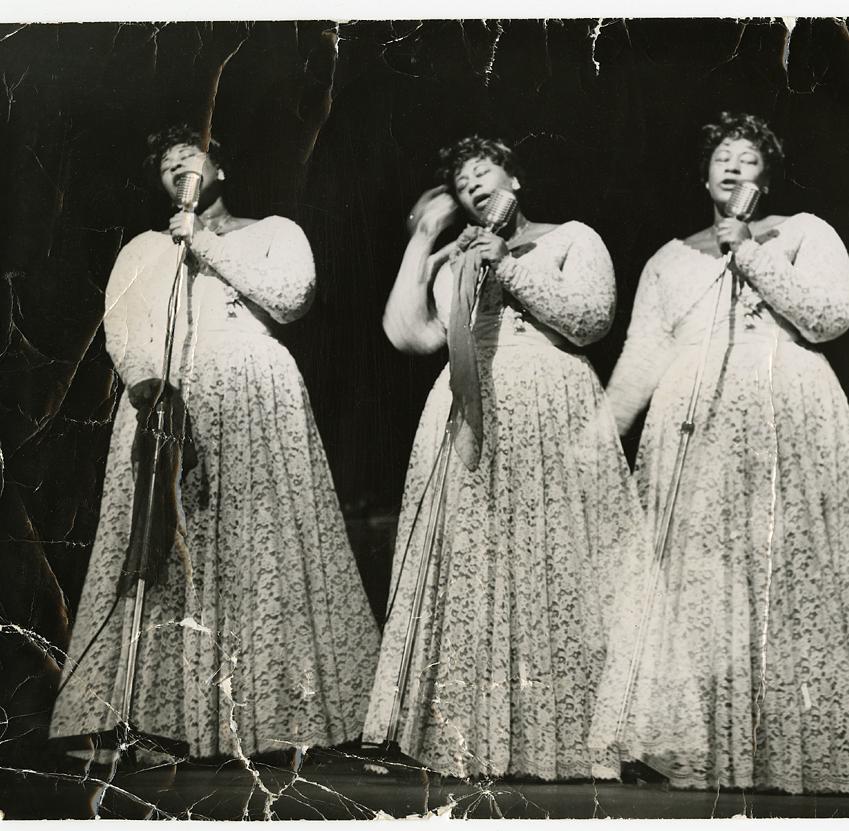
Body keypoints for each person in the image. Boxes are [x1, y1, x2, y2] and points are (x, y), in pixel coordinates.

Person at [593, 113, 849, 794]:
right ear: (703, 176)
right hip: (692, 431)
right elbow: (643, 355)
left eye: (749, 159)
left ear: (767, 175)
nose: (734, 167)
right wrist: (597, 435)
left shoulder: (804, 231)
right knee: (701, 589)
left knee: (786, 577)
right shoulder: (668, 260)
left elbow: (829, 316)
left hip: (781, 413)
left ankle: (796, 741)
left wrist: (750, 251)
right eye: (722, 158)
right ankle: (697, 742)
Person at [49, 125, 380, 762]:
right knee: (169, 555)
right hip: (169, 399)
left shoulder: (275, 231)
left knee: (259, 549)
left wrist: (202, 243)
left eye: (189, 156)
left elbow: (290, 298)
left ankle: (266, 723)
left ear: (219, 169)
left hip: (255, 396)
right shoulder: (144, 248)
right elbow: (124, 326)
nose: (179, 168)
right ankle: (154, 724)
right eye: (166, 166)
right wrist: (148, 387)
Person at [362, 137, 650, 781]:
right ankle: (473, 734)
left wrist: (509, 266)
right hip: (471, 412)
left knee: (560, 563)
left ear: (513, 177)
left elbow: (591, 318)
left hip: (554, 410)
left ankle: (584, 733)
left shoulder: (572, 237)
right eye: (461, 183)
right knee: (476, 564)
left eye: (481, 171)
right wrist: (425, 241)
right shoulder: (455, 258)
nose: (473, 186)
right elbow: (408, 333)